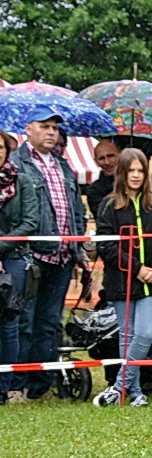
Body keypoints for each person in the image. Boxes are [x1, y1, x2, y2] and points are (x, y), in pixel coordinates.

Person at [10, 111, 88, 401]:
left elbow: (76, 210)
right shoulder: (16, 164)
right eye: (45, 127)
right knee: (24, 322)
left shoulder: (63, 165)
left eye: (54, 128)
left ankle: (40, 387)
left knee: (48, 323)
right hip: (30, 255)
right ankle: (17, 384)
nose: (51, 132)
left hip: (63, 256)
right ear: (28, 129)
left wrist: (78, 247)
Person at [90, 148, 152, 407]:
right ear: (122, 173)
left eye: (140, 171)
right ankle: (135, 393)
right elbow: (107, 246)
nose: (136, 176)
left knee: (146, 333)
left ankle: (118, 386)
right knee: (127, 336)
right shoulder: (108, 206)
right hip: (121, 283)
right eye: (131, 171)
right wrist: (137, 268)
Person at [0, 130, 28, 400]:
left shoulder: (22, 180)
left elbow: (29, 224)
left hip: (15, 257)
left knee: (10, 323)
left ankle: (4, 387)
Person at [84, 138, 120, 218]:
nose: (107, 162)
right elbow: (102, 215)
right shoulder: (93, 190)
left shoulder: (132, 182)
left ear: (119, 155)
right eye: (101, 158)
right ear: (96, 161)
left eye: (110, 156)